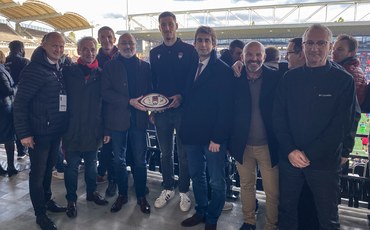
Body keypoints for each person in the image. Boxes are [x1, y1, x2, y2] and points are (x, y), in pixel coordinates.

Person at [273, 24, 356, 230]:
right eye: (310, 42)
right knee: (287, 212)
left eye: (321, 43)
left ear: (329, 46)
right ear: (303, 46)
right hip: (290, 160)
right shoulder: (289, 78)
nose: (314, 48)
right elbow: (278, 118)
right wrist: (291, 151)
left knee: (327, 217)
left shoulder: (343, 80)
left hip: (324, 164)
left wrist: (308, 153)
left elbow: (340, 126)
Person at [179, 25, 234, 230]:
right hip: (192, 134)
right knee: (197, 176)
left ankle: (212, 218)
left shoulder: (222, 70)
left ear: (213, 44)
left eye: (207, 40)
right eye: (199, 40)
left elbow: (227, 108)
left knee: (217, 181)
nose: (203, 44)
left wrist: (218, 138)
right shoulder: (192, 66)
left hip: (213, 138)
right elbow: (189, 96)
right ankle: (201, 210)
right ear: (194, 44)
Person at [13, 32, 68, 230]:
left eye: (61, 46)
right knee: (37, 174)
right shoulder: (34, 69)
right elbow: (20, 104)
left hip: (54, 131)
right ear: (43, 44)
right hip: (38, 133)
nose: (59, 50)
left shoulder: (57, 67)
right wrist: (24, 134)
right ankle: (40, 214)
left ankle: (47, 200)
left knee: (48, 171)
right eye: (55, 45)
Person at [228, 41, 281, 230]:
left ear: (264, 57)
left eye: (258, 55)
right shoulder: (235, 77)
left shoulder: (276, 77)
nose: (254, 58)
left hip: (268, 146)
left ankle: (271, 225)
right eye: (249, 55)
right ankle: (249, 221)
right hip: (242, 145)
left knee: (272, 192)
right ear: (242, 57)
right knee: (246, 186)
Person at [150, 11, 197, 211]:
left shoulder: (189, 51)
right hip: (161, 112)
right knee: (164, 153)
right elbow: (152, 82)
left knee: (183, 153)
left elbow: (193, 80)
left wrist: (182, 97)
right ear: (159, 28)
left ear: (176, 25)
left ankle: (185, 191)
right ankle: (168, 186)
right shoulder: (154, 53)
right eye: (163, 25)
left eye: (170, 24)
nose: (167, 28)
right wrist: (152, 109)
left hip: (182, 111)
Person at [102, 33, 152, 214]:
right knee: (119, 161)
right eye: (124, 43)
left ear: (135, 45)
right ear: (118, 45)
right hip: (117, 122)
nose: (128, 46)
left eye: (130, 43)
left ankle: (141, 196)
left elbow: (151, 92)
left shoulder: (146, 67)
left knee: (140, 161)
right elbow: (105, 93)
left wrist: (153, 107)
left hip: (139, 121)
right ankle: (122, 195)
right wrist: (128, 101)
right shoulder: (109, 66)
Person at [62, 36, 110, 218]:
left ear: (96, 50)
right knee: (72, 167)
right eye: (84, 49)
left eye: (92, 49)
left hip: (93, 129)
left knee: (92, 166)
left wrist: (105, 129)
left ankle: (91, 193)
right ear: (78, 51)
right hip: (72, 129)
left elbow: (105, 105)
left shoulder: (101, 74)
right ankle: (71, 200)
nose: (88, 53)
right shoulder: (68, 72)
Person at [96, 26, 119, 197]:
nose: (106, 40)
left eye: (109, 36)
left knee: (119, 148)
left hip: (120, 109)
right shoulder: (94, 59)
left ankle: (114, 177)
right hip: (102, 111)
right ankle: (109, 176)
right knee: (106, 146)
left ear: (114, 39)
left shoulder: (123, 55)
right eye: (102, 37)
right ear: (98, 39)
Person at [5, 40, 30, 160]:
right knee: (22, 124)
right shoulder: (25, 62)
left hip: (7, 101)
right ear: (21, 49)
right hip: (22, 97)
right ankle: (22, 150)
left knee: (10, 127)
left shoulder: (4, 61)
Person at [332, 34, 367, 106]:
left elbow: (345, 101)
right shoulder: (344, 68)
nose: (334, 52)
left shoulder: (350, 72)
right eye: (333, 49)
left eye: (340, 49)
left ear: (352, 53)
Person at [0, 50, 18, 177]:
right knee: (9, 137)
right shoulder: (1, 71)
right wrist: (17, 87)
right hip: (4, 107)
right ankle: (11, 166)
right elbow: (8, 90)